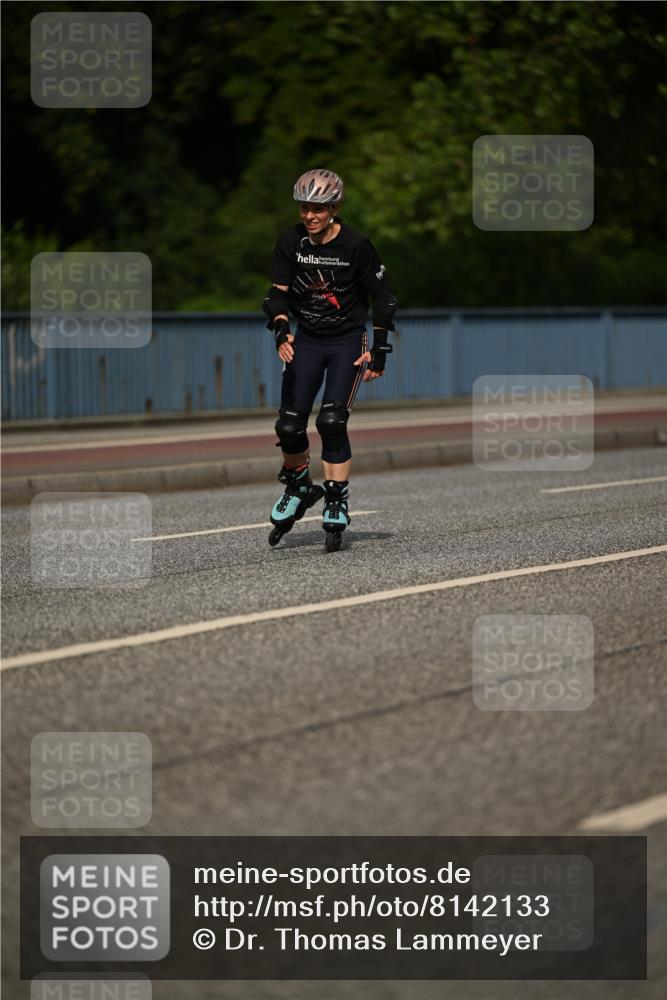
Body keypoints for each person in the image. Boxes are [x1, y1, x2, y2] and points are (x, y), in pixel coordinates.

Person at [262, 168, 398, 550]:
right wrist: (281, 329)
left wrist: (380, 350)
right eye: (305, 208)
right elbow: (276, 296)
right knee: (289, 427)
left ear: (335, 208)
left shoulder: (356, 246)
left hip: (346, 344)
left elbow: (383, 298)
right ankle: (300, 486)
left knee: (331, 421)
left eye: (318, 209)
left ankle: (336, 496)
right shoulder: (291, 241)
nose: (310, 216)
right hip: (307, 341)